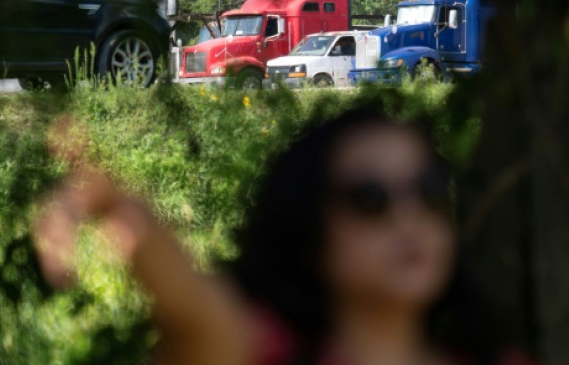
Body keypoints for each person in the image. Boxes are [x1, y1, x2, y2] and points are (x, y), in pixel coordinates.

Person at [33, 107, 525, 365]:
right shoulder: (262, 355)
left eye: (430, 191)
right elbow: (192, 305)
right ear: (309, 223)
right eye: (371, 199)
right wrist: (108, 202)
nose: (409, 217)